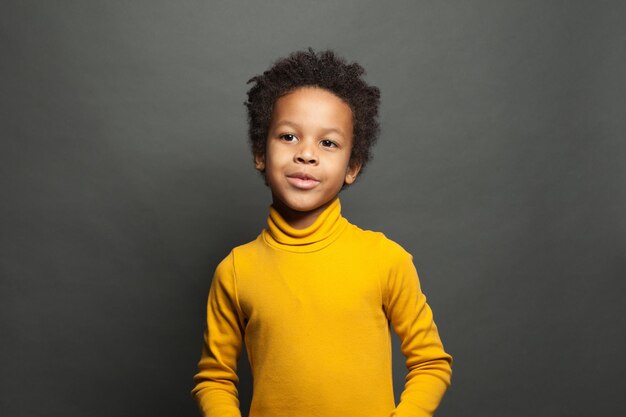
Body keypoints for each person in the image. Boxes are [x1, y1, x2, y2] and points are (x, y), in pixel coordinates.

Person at [192, 48, 452, 417]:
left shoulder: (384, 259)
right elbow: (214, 378)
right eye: (288, 136)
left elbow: (431, 363)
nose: (307, 155)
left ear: (353, 166)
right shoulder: (235, 272)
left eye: (327, 143)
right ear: (259, 153)